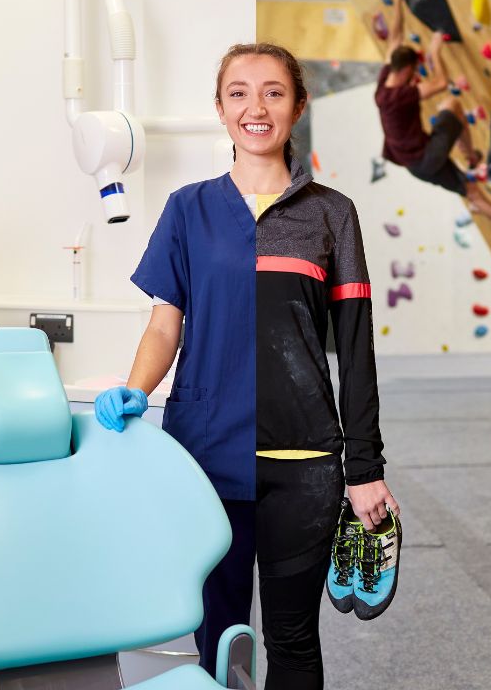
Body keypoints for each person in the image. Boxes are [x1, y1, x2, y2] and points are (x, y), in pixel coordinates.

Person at [95, 43, 398, 689]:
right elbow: (163, 323)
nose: (254, 107)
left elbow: (356, 347)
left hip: (306, 466)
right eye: (238, 92)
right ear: (219, 108)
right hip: (207, 457)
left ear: (297, 105)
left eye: (272, 92)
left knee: (291, 641)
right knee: (220, 639)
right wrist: (133, 389)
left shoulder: (331, 214)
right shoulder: (188, 208)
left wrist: (364, 468)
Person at [375, 0, 491, 227]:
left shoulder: (384, 82)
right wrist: (434, 52)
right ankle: (471, 158)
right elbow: (441, 83)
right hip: (426, 157)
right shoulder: (399, 95)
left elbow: (395, 36)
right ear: (408, 70)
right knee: (452, 103)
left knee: (472, 192)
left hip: (416, 164)